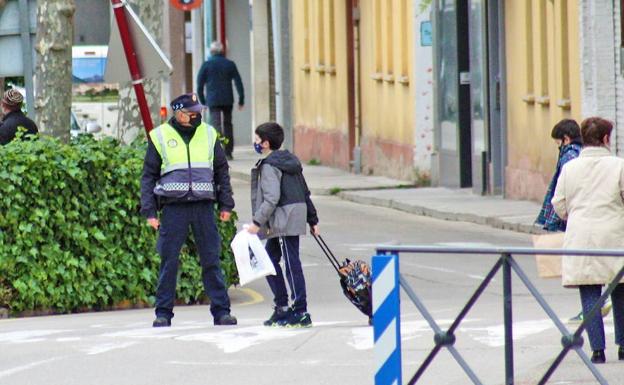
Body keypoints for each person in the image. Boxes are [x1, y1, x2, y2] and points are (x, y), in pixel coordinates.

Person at [141, 93, 237, 328]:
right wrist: (150, 211)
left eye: (199, 112)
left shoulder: (208, 133)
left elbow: (221, 171)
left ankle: (222, 312)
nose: (198, 116)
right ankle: (163, 313)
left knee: (211, 260)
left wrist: (226, 204)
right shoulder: (160, 136)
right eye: (192, 112)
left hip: (203, 206)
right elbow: (148, 176)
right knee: (169, 261)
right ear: (180, 113)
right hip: (174, 208)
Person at [552, 117, 624, 364]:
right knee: (621, 289)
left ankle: (597, 350)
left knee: (590, 291)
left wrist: (574, 213)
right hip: (615, 235)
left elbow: (558, 204)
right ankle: (623, 345)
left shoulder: (569, 168)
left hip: (581, 236)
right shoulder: (619, 166)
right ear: (605, 139)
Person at [247, 122, 319, 328]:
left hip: (284, 219)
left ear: (266, 143)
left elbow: (271, 198)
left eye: (257, 140)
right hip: (293, 215)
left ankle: (300, 310)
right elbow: (305, 192)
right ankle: (282, 307)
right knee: (269, 260)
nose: (255, 143)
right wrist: (313, 219)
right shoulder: (290, 161)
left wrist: (256, 222)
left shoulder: (270, 165)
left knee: (290, 263)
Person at [196, 41, 244, 160]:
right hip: (227, 99)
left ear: (211, 52)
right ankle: (228, 151)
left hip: (213, 100)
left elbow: (199, 85)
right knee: (228, 124)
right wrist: (241, 99)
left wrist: (202, 101)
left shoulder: (206, 65)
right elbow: (238, 82)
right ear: (222, 51)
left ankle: (219, 149)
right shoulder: (229, 64)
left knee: (215, 124)